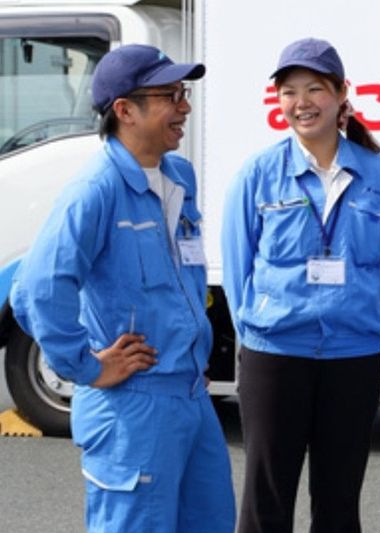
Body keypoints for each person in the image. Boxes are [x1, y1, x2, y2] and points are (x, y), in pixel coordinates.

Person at [9, 44, 236, 532]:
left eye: (183, 92)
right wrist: (87, 366)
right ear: (125, 111)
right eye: (170, 96)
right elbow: (37, 290)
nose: (185, 107)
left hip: (191, 395)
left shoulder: (178, 177)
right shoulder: (96, 189)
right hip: (133, 405)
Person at [221, 37, 380, 532]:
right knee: (266, 501)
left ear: (342, 93)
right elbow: (238, 272)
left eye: (315, 89)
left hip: (354, 356)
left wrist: (354, 310)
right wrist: (261, 334)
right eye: (289, 92)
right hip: (276, 356)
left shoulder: (375, 174)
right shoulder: (259, 174)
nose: (301, 103)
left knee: (340, 502)